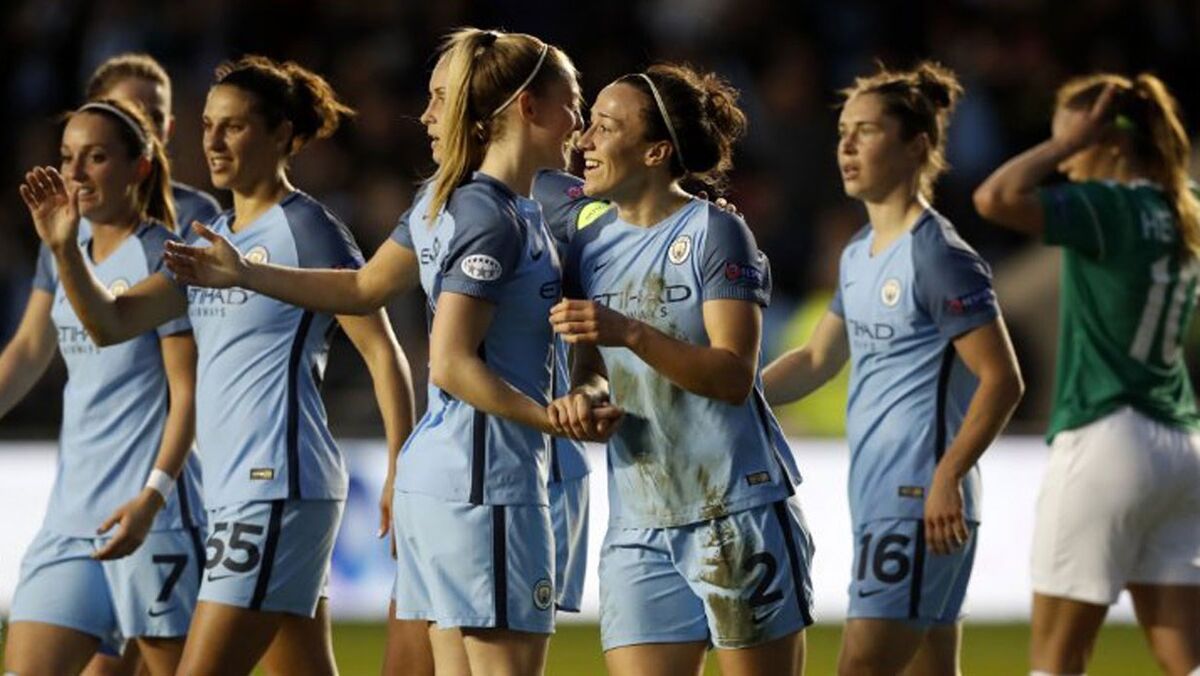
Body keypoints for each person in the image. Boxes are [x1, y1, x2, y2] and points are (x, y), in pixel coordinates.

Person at [163, 30, 606, 675]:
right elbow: (450, 362)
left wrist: (248, 273)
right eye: (572, 102)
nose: (580, 121)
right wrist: (552, 419)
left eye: (438, 99)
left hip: (444, 477)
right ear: (528, 107)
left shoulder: (448, 202)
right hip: (488, 483)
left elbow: (363, 287)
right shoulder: (494, 216)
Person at [21, 55, 415, 676]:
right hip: (236, 492)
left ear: (280, 135)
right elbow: (112, 323)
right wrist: (65, 249)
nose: (213, 141)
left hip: (277, 483)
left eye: (233, 126)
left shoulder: (306, 227)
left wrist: (399, 465)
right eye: (208, 125)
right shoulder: (213, 238)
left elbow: (380, 349)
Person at [540, 63, 814, 676]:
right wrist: (585, 396)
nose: (585, 140)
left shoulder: (716, 232)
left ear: (656, 151)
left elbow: (733, 376)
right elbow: (592, 364)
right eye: (589, 124)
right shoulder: (589, 243)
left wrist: (630, 331)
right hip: (638, 521)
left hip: (734, 509)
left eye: (606, 127)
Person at [762, 62, 1023, 676]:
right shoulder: (858, 253)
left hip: (918, 495)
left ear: (916, 146)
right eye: (843, 133)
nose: (847, 147)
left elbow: (1002, 378)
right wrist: (729, 394)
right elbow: (816, 360)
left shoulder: (938, 255)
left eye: (868, 131)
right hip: (882, 492)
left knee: (861, 667)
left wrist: (946, 476)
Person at [974, 72, 1200, 676]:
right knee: (1185, 660)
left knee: (1056, 660)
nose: (1067, 165)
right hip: (1181, 442)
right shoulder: (1185, 208)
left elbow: (994, 198)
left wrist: (1062, 144)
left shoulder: (1111, 206)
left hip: (1109, 435)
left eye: (1073, 145)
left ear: (1110, 141)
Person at [4, 99, 204, 676]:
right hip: (70, 523)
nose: (76, 172)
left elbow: (187, 394)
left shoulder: (166, 257)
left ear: (140, 167)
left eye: (95, 157)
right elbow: (27, 351)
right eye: (68, 157)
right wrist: (63, 248)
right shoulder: (62, 249)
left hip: (151, 521)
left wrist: (154, 495)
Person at [80, 50, 222, 676]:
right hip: (89, 485)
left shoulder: (198, 223)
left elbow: (188, 373)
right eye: (128, 111)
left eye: (155, 114)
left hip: (171, 480)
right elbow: (32, 348)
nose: (146, 124)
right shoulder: (72, 231)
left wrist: (158, 488)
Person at [86, 53, 221, 240]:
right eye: (128, 114)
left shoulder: (195, 215)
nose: (144, 128)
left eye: (155, 118)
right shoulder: (65, 217)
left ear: (169, 129)